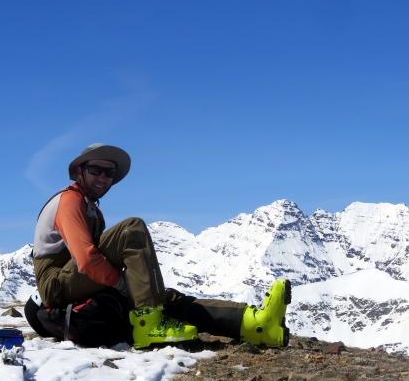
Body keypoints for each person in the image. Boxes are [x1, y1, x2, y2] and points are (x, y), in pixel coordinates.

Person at [25, 143, 290, 349]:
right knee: (131, 230)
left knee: (161, 296)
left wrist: (140, 289)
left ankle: (254, 325)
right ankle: (148, 324)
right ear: (79, 172)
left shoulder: (92, 209)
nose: (103, 178)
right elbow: (85, 259)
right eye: (96, 170)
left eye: (109, 173)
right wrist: (120, 282)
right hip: (56, 285)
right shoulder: (70, 201)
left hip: (77, 280)